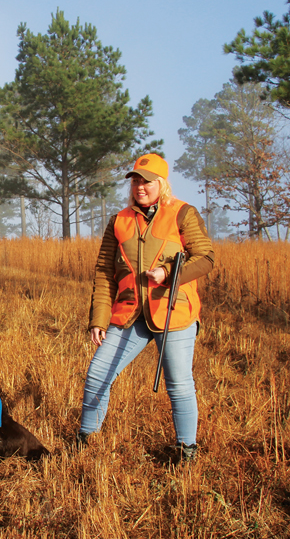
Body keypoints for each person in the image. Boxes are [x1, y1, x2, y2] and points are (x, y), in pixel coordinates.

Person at [78, 153, 214, 462]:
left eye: (148, 181)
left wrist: (168, 274)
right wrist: (98, 318)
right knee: (97, 373)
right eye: (136, 180)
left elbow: (205, 257)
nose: (141, 187)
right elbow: (104, 272)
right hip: (130, 314)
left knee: (178, 384)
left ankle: (186, 450)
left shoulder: (183, 214)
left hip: (173, 313)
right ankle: (86, 442)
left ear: (162, 183)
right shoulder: (120, 220)